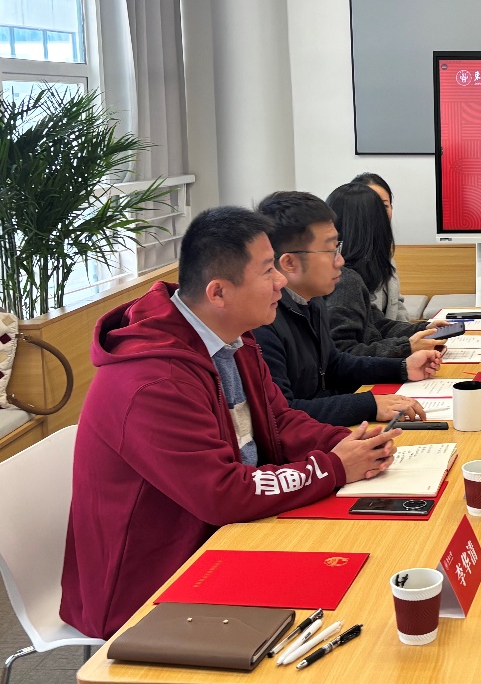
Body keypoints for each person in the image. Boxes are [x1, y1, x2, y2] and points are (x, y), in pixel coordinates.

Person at [61, 207, 402, 639]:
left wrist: (346, 443)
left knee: (373, 567)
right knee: (355, 610)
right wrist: (333, 467)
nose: (280, 281)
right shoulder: (152, 381)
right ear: (218, 292)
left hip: (230, 535)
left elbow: (278, 420)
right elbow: (220, 493)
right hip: (154, 584)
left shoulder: (230, 336)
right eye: (267, 270)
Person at [253, 191, 439, 427]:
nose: (340, 260)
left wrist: (402, 368)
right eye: (331, 250)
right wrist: (369, 405)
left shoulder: (311, 300)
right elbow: (283, 413)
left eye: (337, 247)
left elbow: (335, 364)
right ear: (289, 262)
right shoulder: (262, 322)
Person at [324, 182, 447, 358]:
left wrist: (423, 328)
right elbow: (343, 354)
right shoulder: (344, 280)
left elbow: (377, 324)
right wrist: (406, 347)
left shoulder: (364, 270)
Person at [352, 172, 408, 321]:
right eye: (372, 206)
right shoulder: (347, 263)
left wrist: (416, 331)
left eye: (384, 206)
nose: (379, 213)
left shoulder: (383, 253)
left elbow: (397, 305)